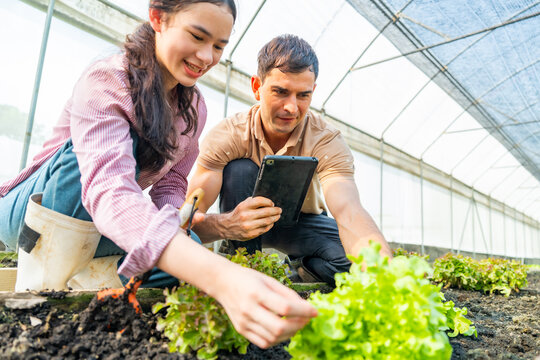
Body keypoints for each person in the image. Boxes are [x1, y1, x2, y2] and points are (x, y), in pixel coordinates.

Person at [0, 1, 316, 348]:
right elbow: (109, 191)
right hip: (39, 214)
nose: (206, 56)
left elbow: (172, 187)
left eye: (219, 47)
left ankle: (95, 278)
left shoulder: (193, 108)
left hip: (99, 226)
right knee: (90, 162)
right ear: (158, 18)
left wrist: (183, 231)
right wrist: (223, 277)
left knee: (188, 249)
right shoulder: (108, 78)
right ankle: (46, 288)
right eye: (197, 36)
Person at [187, 34, 393, 286]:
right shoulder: (228, 135)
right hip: (241, 222)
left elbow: (349, 211)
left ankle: (301, 268)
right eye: (280, 92)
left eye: (303, 95)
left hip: (300, 225)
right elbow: (190, 222)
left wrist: (386, 273)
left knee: (351, 265)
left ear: (313, 91)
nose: (291, 107)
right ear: (256, 87)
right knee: (239, 169)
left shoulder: (326, 140)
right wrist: (226, 226)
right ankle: (241, 265)